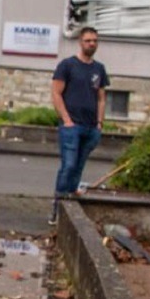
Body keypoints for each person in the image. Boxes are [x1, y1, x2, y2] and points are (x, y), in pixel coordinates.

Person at [51, 26, 109, 223]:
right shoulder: (67, 65)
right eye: (88, 40)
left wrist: (100, 123)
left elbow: (101, 98)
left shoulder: (99, 69)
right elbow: (56, 93)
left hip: (91, 127)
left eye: (94, 41)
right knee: (68, 165)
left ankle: (71, 210)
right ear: (80, 42)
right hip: (71, 126)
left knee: (78, 167)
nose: (91, 44)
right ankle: (58, 208)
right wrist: (66, 120)